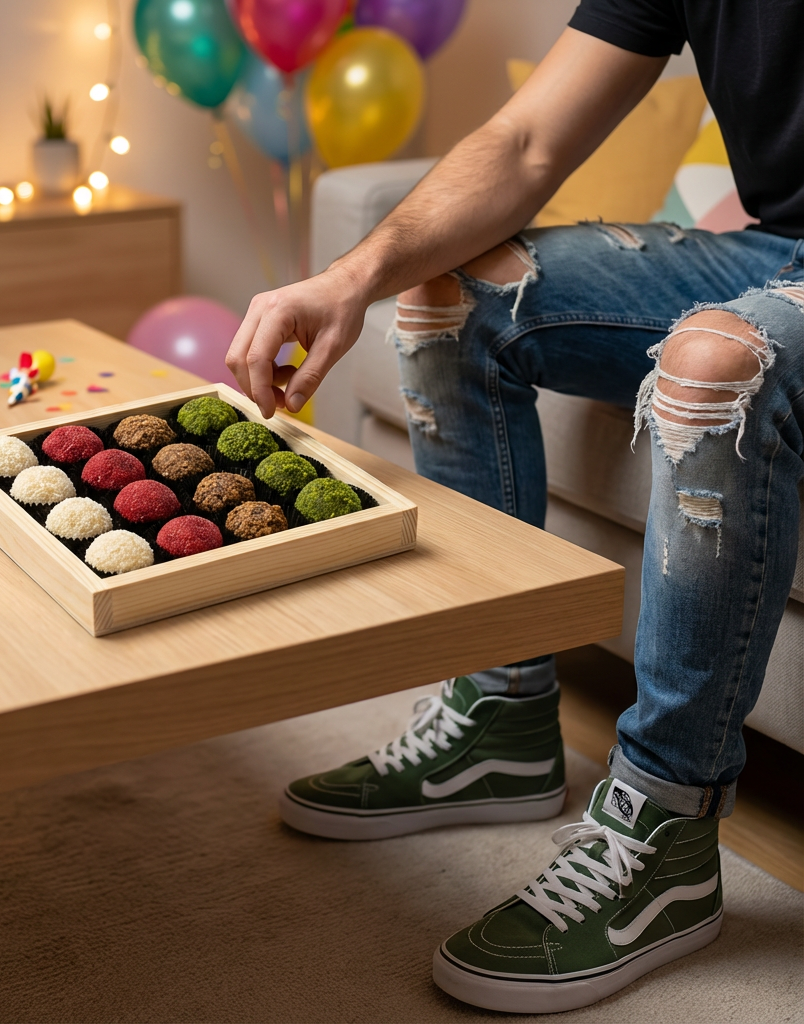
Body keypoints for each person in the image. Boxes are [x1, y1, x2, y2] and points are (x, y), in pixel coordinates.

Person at [226, 0, 803, 1013]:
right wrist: (351, 275)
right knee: (446, 293)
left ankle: (665, 828)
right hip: (776, 249)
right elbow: (524, 138)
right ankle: (495, 713)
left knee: (716, 368)